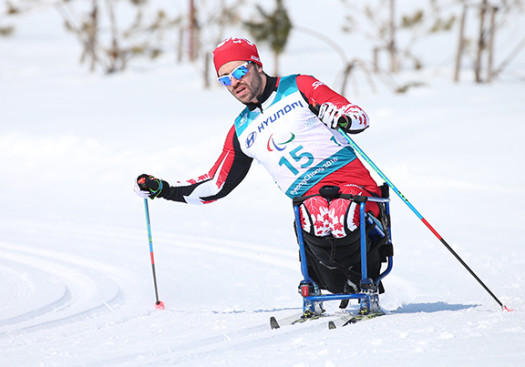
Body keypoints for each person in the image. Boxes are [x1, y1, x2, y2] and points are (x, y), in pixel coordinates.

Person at [135, 37, 386, 308]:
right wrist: (163, 189)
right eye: (224, 79)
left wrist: (343, 118)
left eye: (240, 72)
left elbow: (357, 114)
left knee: (340, 213)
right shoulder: (242, 129)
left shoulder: (298, 86)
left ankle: (364, 283)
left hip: (355, 190)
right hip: (310, 204)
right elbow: (214, 185)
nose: (234, 83)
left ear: (257, 65)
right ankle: (335, 286)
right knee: (312, 213)